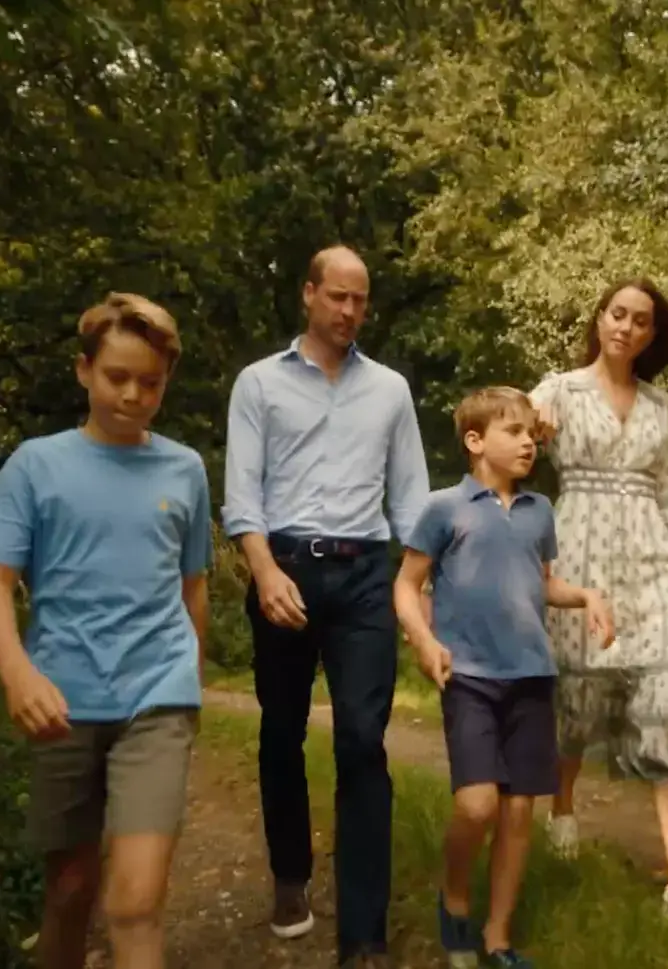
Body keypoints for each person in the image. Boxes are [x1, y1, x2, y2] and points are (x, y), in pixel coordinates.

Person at [0, 293, 212, 969]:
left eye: (151, 383)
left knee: (136, 902)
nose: (133, 394)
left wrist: (190, 673)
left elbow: (193, 584)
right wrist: (18, 674)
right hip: (61, 700)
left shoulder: (185, 469)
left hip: (156, 697)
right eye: (117, 377)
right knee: (71, 888)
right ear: (84, 371)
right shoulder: (36, 465)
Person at [221, 245, 430, 968]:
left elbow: (410, 498)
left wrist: (418, 582)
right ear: (309, 294)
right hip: (281, 566)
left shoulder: (391, 391)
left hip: (365, 573)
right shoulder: (258, 385)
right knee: (281, 730)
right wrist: (262, 567)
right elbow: (241, 492)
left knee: (362, 743)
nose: (348, 312)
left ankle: (364, 936)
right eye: (337, 297)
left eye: (360, 300)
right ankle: (290, 877)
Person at [530, 279, 668, 933]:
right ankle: (561, 805)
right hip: (580, 553)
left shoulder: (659, 404)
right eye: (618, 313)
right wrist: (531, 414)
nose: (627, 326)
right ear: (599, 319)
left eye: (641, 320)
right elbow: (511, 431)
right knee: (577, 699)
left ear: (651, 334)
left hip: (649, 561)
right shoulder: (559, 387)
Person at [393, 387, 616, 968]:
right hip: (468, 676)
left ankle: (497, 937)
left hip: (531, 677)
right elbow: (406, 584)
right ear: (475, 441)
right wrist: (423, 640)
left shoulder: (540, 510)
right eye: (513, 432)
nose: (527, 444)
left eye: (532, 435)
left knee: (519, 813)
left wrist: (586, 595)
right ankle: (455, 894)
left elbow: (541, 582)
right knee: (476, 806)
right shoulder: (446, 508)